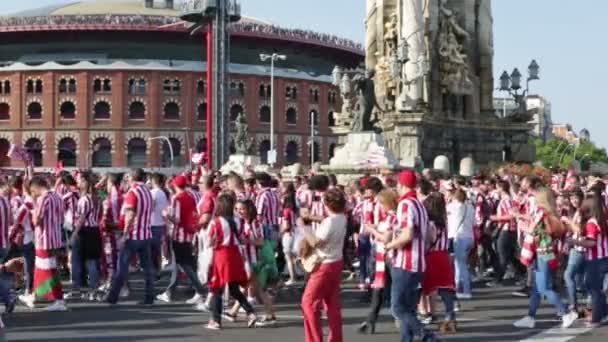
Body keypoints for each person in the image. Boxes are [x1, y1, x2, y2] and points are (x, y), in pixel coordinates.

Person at [385, 170, 435, 342]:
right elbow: (429, 235)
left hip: (406, 262)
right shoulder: (420, 204)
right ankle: (407, 339)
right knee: (410, 308)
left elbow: (407, 234)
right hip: (419, 262)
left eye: (397, 184)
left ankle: (427, 335)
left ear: (402, 185)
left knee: (398, 308)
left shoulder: (405, 204)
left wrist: (389, 245)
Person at [513, 188, 574, 329]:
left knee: (544, 288)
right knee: (536, 288)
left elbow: (532, 229)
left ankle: (566, 312)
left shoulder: (541, 211)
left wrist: (522, 226)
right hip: (547, 251)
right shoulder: (552, 212)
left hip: (542, 252)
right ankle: (530, 317)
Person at [205, 193, 257, 330]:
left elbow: (210, 242)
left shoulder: (215, 222)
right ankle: (250, 312)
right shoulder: (238, 220)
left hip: (222, 256)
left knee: (217, 288)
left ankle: (215, 320)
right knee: (234, 288)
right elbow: (241, 237)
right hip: (236, 255)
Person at [301, 189, 347, 342]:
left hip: (324, 265)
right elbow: (327, 220)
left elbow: (314, 241)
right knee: (332, 303)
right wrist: (312, 217)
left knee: (308, 303)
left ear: (327, 204)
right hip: (337, 262)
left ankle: (314, 339)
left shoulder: (329, 222)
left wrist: (304, 227)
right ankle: (336, 338)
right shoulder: (342, 218)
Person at [105, 168, 155, 306]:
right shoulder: (147, 192)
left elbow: (130, 215)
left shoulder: (133, 192)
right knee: (148, 268)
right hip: (146, 234)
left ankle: (113, 297)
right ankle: (149, 297)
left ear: (131, 178)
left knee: (122, 267)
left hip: (133, 235)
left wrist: (125, 234)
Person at [19, 176, 66, 311]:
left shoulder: (43, 199)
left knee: (47, 270)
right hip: (55, 238)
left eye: (32, 191)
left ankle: (58, 299)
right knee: (45, 269)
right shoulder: (57, 197)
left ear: (35, 187)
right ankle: (35, 295)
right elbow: (61, 217)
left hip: (44, 239)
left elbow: (36, 220)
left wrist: (33, 207)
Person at [157, 175, 206, 304]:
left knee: (182, 264)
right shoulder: (190, 197)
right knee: (184, 263)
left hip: (179, 235)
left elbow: (177, 219)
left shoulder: (177, 198)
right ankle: (171, 291)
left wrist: (166, 215)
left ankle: (200, 290)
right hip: (188, 234)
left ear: (175, 185)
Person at [357, 189, 397, 335]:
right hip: (382, 256)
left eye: (381, 203)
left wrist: (373, 231)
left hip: (390, 256)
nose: (379, 206)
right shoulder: (386, 217)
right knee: (378, 289)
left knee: (392, 290)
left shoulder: (393, 217)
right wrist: (373, 228)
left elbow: (386, 237)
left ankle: (399, 318)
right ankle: (371, 320)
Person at [569, 190, 608, 327]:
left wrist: (574, 242)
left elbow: (591, 242)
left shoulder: (592, 222)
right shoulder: (603, 219)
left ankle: (597, 317)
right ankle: (603, 312)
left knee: (593, 287)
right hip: (604, 256)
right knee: (596, 287)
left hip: (595, 259)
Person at [421, 192, 457, 334]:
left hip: (432, 257)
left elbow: (428, 241)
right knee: (446, 288)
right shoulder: (444, 222)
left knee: (427, 288)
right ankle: (450, 316)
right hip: (443, 255)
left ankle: (427, 314)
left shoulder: (430, 224)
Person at [69, 172, 102, 301]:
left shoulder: (84, 199)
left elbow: (82, 218)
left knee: (76, 261)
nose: (77, 182)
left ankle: (76, 288)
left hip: (84, 231)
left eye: (79, 180)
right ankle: (94, 288)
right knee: (92, 260)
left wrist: (74, 233)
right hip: (94, 230)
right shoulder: (96, 197)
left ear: (84, 182)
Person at [446, 188, 474, 299]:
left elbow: (446, 217)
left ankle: (466, 290)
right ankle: (458, 287)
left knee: (461, 264)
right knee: (460, 263)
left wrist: (448, 201)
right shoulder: (470, 207)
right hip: (469, 237)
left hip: (459, 237)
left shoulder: (452, 207)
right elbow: (474, 222)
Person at [150, 173, 170, 277]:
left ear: (153, 181)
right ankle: (157, 270)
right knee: (157, 250)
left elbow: (150, 207)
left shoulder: (153, 193)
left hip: (153, 224)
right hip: (160, 223)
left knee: (152, 250)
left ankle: (154, 272)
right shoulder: (162, 193)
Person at [280, 182, 298, 286]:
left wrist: (280, 232)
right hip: (295, 232)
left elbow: (286, 225)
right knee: (294, 257)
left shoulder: (286, 211)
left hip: (288, 234)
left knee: (288, 257)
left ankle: (292, 277)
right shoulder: (293, 209)